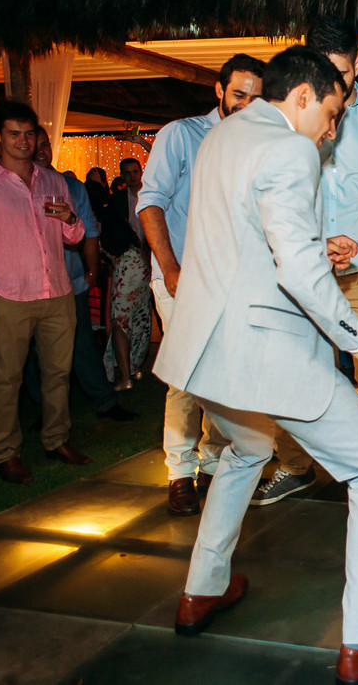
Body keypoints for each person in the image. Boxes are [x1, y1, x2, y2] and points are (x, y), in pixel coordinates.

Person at [153, 46, 358, 682]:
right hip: (268, 351)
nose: (332, 129)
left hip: (206, 350)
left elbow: (242, 237)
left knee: (244, 451)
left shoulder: (221, 135)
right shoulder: (294, 149)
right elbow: (295, 269)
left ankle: (201, 590)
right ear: (302, 95)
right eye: (330, 112)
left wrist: (319, 248)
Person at [253, 18, 358, 512]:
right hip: (302, 265)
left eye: (343, 72)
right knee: (296, 368)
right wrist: (316, 243)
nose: (335, 83)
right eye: (325, 71)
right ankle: (295, 466)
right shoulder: (290, 120)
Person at [138, 53, 263, 516]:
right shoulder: (181, 135)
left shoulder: (256, 145)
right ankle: (178, 472)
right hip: (184, 277)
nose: (246, 104)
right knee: (187, 377)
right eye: (238, 94)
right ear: (219, 90)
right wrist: (170, 268)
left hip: (234, 280)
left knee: (225, 377)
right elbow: (150, 204)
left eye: (255, 97)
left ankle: (211, 464)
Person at [0, 101, 90, 483]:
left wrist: (70, 219)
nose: (23, 141)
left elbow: (74, 236)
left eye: (29, 133)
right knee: (6, 379)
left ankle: (56, 439)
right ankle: (6, 452)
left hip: (57, 292)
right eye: (14, 133)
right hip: (10, 297)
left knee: (58, 374)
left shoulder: (52, 181)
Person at [25, 129, 135, 423]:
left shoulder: (72, 186)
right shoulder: (18, 189)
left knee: (82, 342)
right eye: (36, 145)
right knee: (36, 349)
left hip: (71, 279)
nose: (42, 151)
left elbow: (89, 230)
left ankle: (104, 401)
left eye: (46, 145)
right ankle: (42, 410)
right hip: (31, 286)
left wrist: (91, 269)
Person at [102, 157, 151, 389]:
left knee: (139, 319)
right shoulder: (116, 201)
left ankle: (131, 370)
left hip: (147, 261)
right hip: (127, 264)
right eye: (127, 173)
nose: (132, 176)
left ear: (140, 172)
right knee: (130, 319)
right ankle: (129, 370)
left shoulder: (152, 194)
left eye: (134, 172)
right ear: (121, 175)